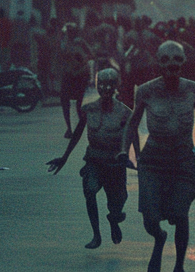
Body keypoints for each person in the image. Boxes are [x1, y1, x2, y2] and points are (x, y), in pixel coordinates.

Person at [125, 41, 195, 272]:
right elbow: (132, 124)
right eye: (166, 60)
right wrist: (125, 152)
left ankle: (179, 265)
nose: (172, 65)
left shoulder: (193, 89)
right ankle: (159, 238)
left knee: (180, 214)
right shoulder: (145, 91)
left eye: (177, 59)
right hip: (152, 160)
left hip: (183, 158)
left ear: (183, 62)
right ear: (158, 63)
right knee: (151, 219)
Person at [48, 68, 133, 249]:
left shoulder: (125, 112)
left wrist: (132, 157)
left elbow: (131, 137)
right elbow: (77, 135)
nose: (106, 88)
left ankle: (114, 219)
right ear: (97, 86)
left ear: (116, 86)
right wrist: (64, 157)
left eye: (110, 84)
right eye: (102, 85)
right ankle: (96, 234)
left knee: (117, 203)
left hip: (115, 164)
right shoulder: (89, 109)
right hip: (94, 161)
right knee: (90, 190)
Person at [56, 23, 96, 138]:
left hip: (79, 75)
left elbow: (91, 55)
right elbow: (59, 57)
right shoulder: (64, 43)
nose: (70, 33)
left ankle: (81, 126)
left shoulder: (80, 42)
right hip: (68, 74)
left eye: (71, 31)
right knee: (65, 101)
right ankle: (69, 128)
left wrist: (81, 63)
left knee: (79, 103)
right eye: (69, 31)